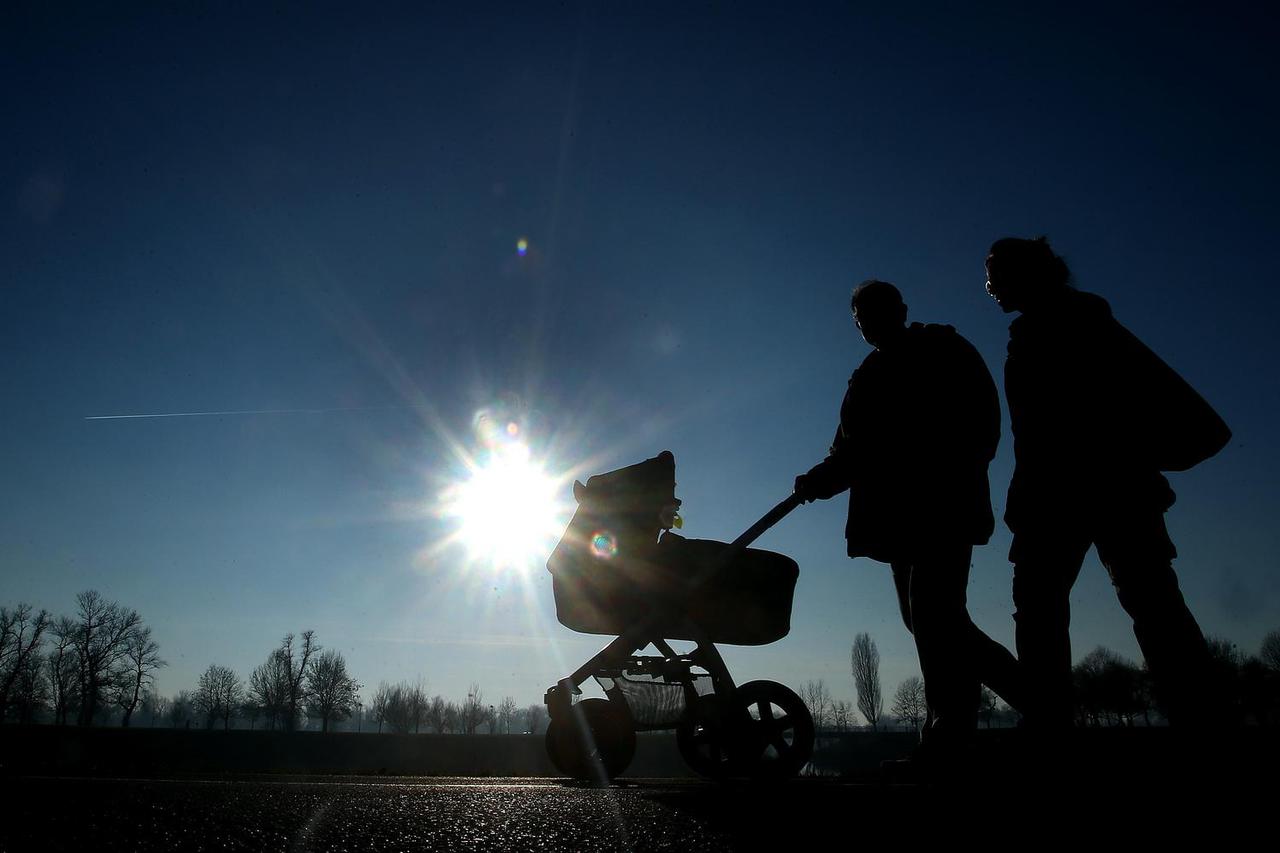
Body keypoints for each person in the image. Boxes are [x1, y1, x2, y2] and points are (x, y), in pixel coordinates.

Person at [983, 236, 1228, 728]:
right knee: (1137, 607)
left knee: (1120, 608)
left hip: (1088, 494)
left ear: (1025, 276)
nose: (988, 285)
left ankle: (1195, 721)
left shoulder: (1077, 328)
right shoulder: (1055, 330)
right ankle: (1198, 719)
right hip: (1084, 495)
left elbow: (1056, 431)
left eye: (995, 273)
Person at [795, 280, 1021, 752]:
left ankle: (952, 734)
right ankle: (1008, 709)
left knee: (936, 617)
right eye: (859, 319)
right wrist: (820, 478)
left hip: (941, 508)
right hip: (896, 521)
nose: (866, 325)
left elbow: (982, 421)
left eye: (874, 313)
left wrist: (951, 469)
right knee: (930, 621)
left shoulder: (942, 348)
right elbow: (850, 451)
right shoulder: (868, 374)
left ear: (899, 309)